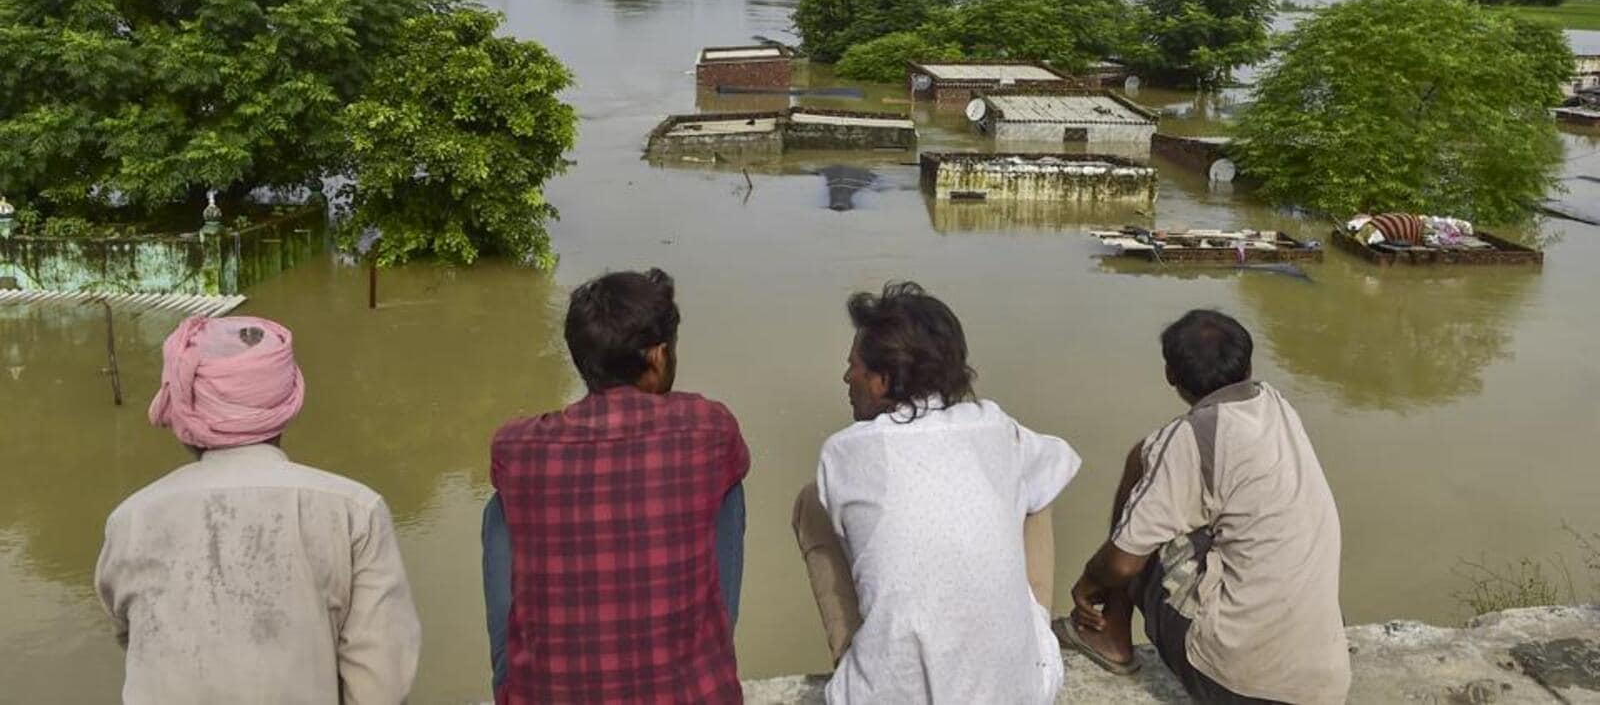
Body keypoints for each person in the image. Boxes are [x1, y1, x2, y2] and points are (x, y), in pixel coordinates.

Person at [95, 316, 421, 704]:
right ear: (287, 404)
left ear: (183, 410)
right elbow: (379, 684)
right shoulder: (355, 511)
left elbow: (128, 633)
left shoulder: (130, 519)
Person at [792, 281, 1080, 705]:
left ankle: (853, 663)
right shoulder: (998, 428)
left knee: (812, 502)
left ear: (883, 380)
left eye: (854, 365)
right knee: (1040, 483)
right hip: (1024, 693)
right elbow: (1061, 461)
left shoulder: (844, 452)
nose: (845, 376)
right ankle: (1031, 634)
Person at [1060, 309, 1350, 704]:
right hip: (1324, 682)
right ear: (1248, 364)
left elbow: (1124, 563)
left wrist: (1090, 580)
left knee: (1144, 508)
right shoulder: (1276, 404)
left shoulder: (1188, 439)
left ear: (1170, 375)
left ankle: (1110, 632)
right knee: (1159, 474)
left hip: (1240, 684)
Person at [489, 268, 750, 704]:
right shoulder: (708, 427)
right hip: (688, 694)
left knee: (502, 506)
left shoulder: (515, 445)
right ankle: (706, 661)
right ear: (658, 357)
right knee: (727, 488)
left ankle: (516, 683)